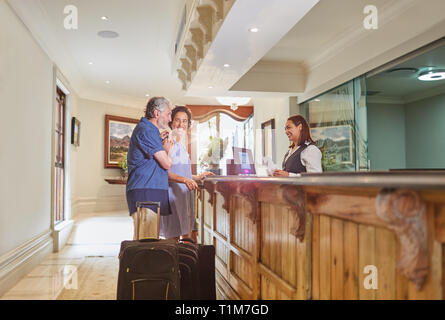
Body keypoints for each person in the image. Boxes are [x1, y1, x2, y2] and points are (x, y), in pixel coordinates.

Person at [160, 106, 214, 242]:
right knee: (173, 239)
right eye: (177, 120)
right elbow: (162, 173)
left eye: (184, 121)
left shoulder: (182, 146)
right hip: (171, 196)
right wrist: (185, 180)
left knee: (189, 238)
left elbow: (183, 172)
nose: (181, 124)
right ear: (171, 122)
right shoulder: (167, 142)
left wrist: (198, 176)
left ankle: (186, 263)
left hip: (185, 197)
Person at [126, 97, 173, 239]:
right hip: (146, 192)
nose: (170, 119)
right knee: (145, 242)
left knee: (146, 240)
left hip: (149, 192)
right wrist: (166, 149)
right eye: (169, 114)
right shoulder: (147, 130)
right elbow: (167, 163)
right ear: (157, 113)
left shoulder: (149, 131)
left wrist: (158, 141)